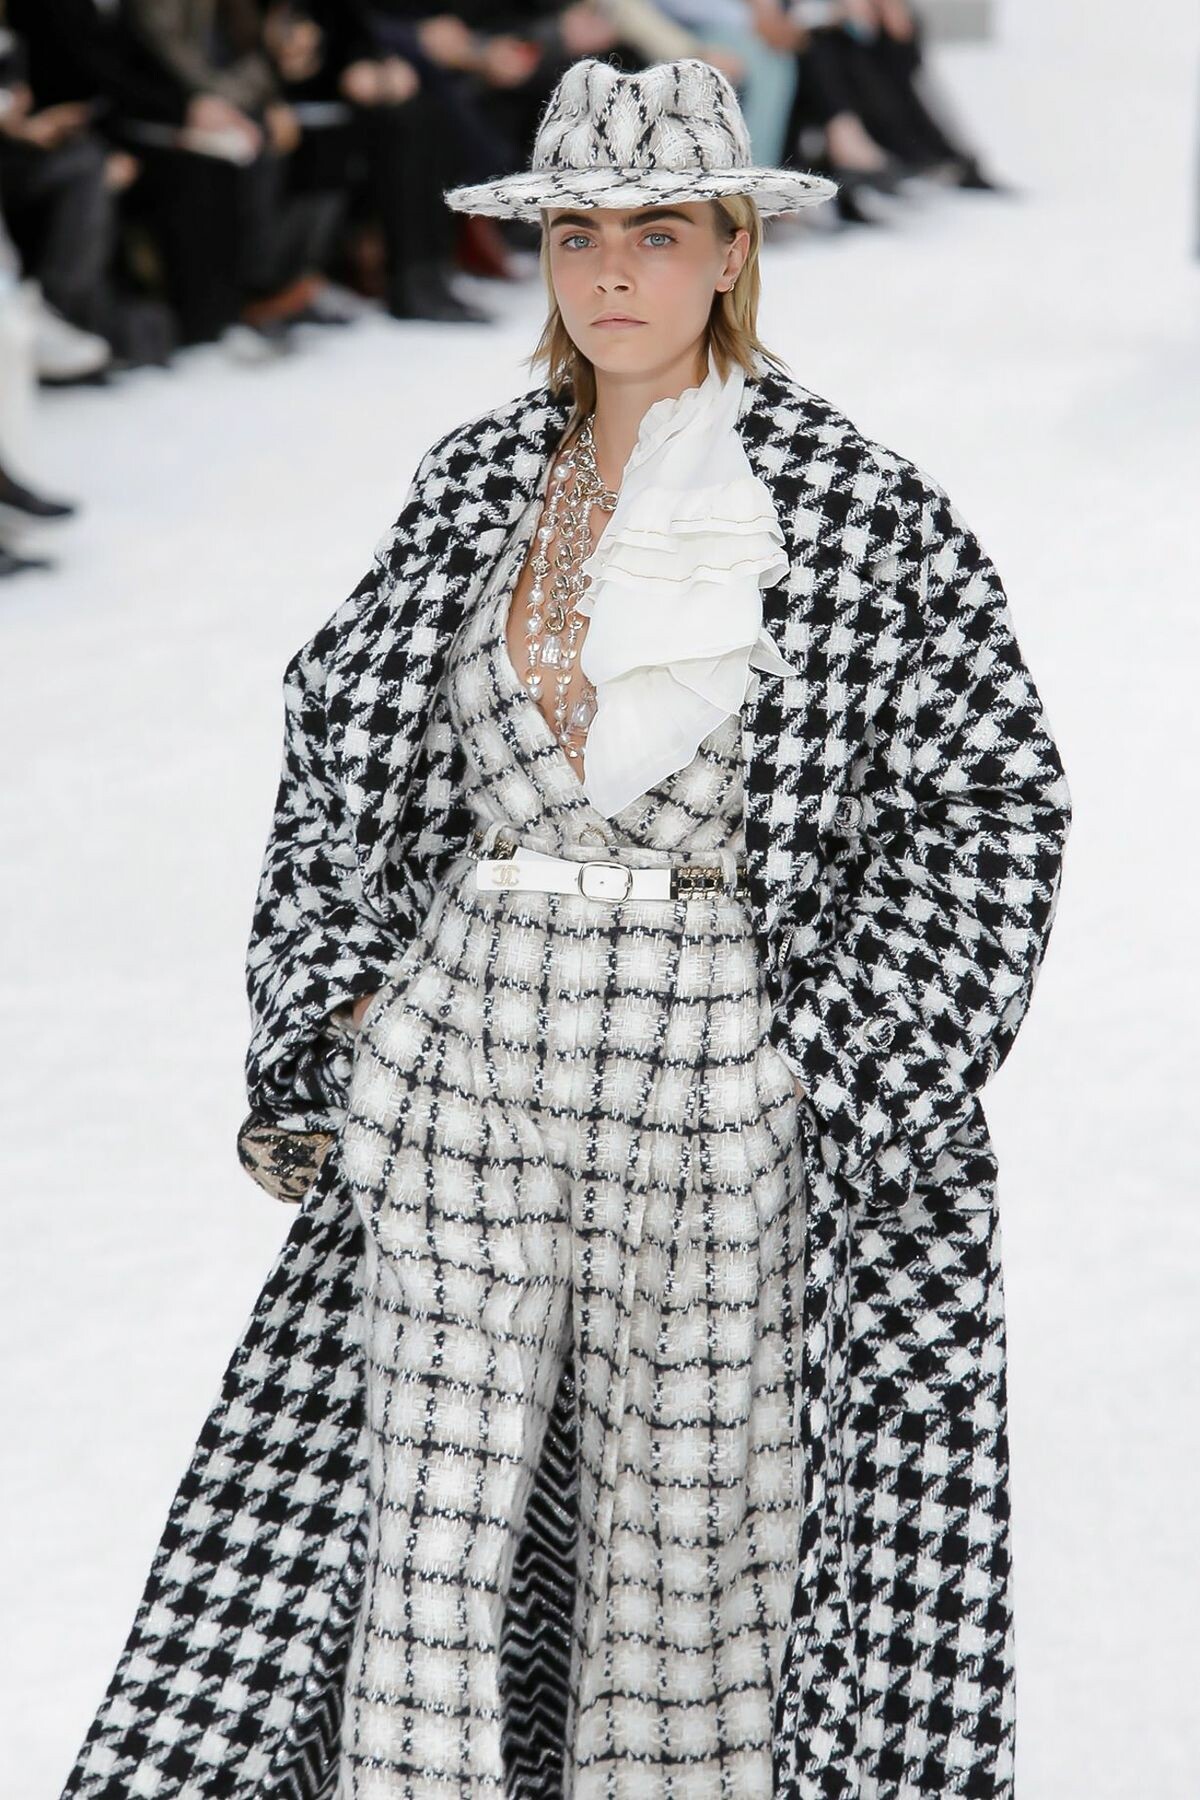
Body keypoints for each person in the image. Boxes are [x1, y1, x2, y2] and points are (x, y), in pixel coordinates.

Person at [57, 54, 1072, 1800]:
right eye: (577, 235)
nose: (612, 272)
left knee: (692, 1566)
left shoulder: (855, 509)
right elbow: (339, 753)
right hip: (463, 1062)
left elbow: (994, 800)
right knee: (426, 1541)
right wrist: (352, 1016)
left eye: (656, 233)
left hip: (716, 1084)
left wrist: (832, 1063)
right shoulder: (475, 482)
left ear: (733, 251)